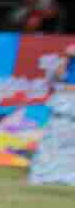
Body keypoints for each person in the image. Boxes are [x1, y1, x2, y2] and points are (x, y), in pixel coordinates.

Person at [27, 44, 75, 187]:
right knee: (52, 140)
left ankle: (65, 175)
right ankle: (41, 175)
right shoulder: (68, 57)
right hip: (66, 101)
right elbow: (60, 74)